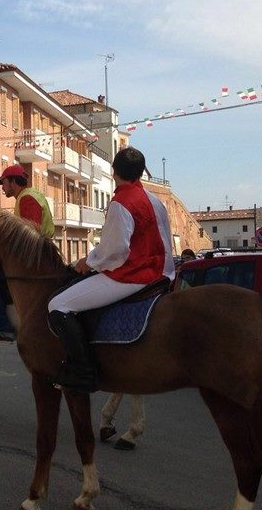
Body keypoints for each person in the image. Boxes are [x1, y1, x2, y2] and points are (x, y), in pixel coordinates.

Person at [47, 147, 175, 393]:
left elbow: (115, 252)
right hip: (161, 273)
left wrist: (89, 262)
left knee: (58, 305)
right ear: (140, 172)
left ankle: (83, 372)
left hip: (132, 276)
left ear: (114, 172)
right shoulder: (155, 201)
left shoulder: (120, 203)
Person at [0, 164, 55, 342]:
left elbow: (28, 235)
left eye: (4, 183)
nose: (2, 187)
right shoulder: (28, 196)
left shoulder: (26, 199)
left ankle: (1, 328)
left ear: (12, 182)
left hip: (33, 260)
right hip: (39, 255)